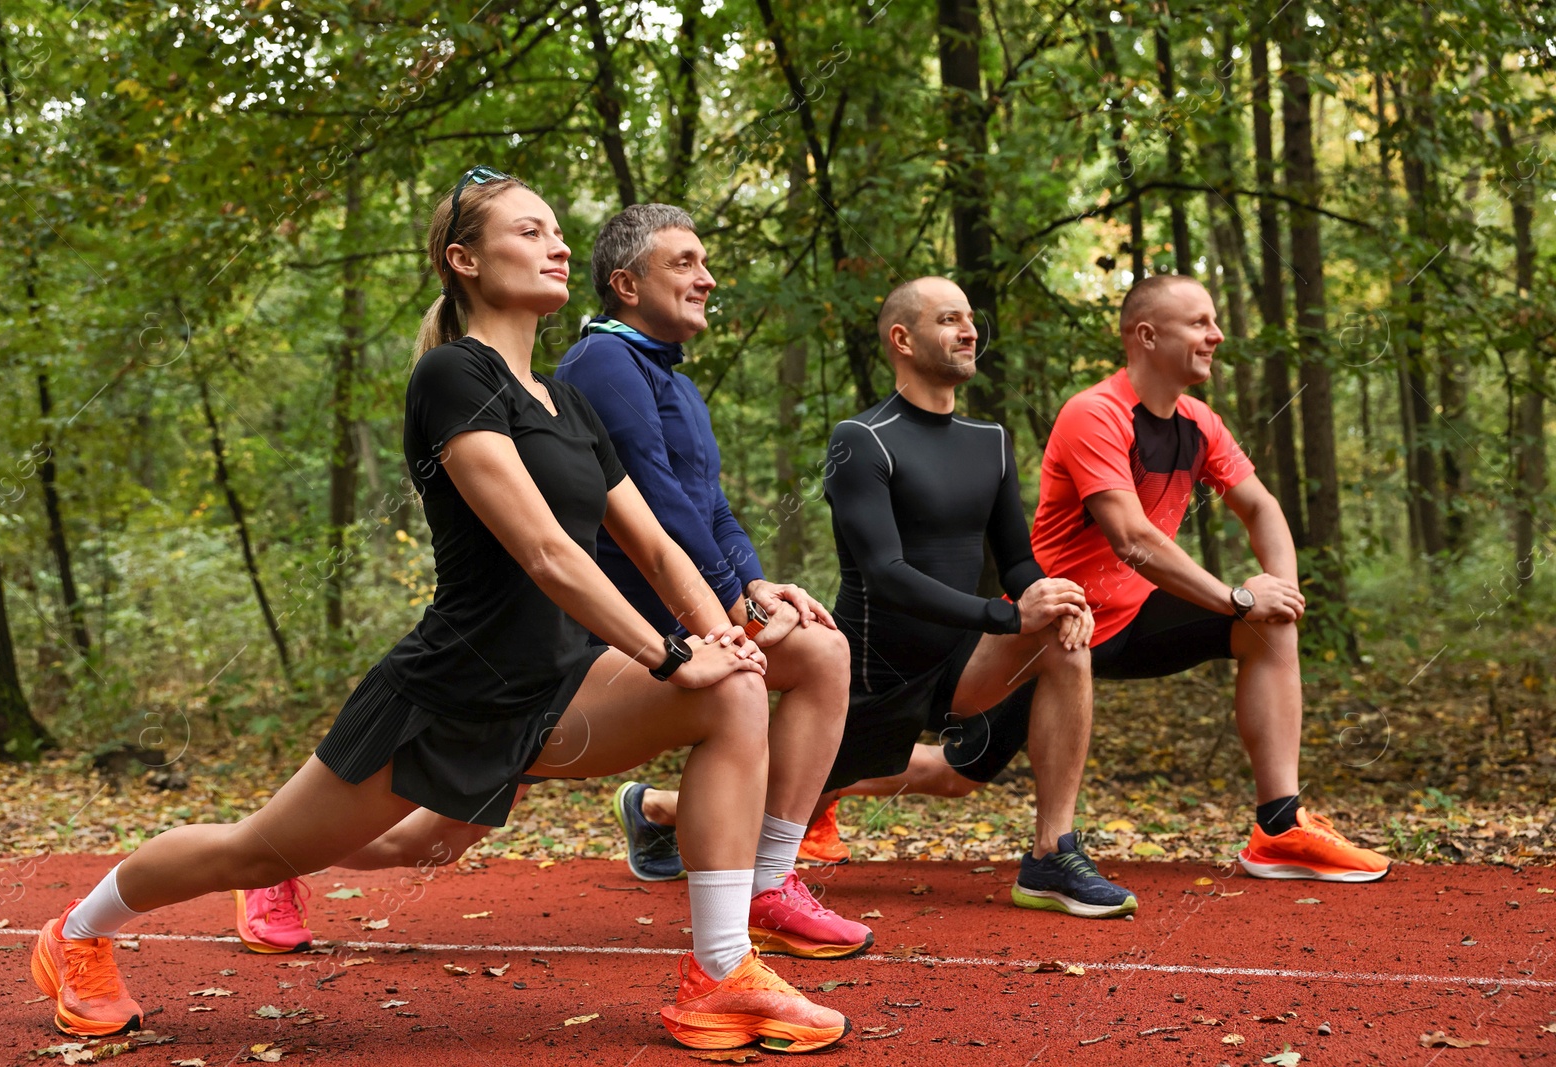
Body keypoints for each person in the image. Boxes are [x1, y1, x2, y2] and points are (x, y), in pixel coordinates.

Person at [30, 168, 849, 1055]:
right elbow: (546, 553)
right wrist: (666, 652)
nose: (558, 245)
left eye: (558, 232)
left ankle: (719, 975)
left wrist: (719, 635)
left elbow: (656, 548)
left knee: (731, 691)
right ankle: (76, 930)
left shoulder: (569, 402)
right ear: (464, 260)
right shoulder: (455, 378)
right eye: (530, 232)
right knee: (263, 849)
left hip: (560, 684)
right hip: (451, 688)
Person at [817, 274, 1390, 885]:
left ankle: (1279, 826)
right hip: (1044, 631)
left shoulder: (1197, 422)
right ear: (1146, 335)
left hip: (1121, 619)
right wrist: (1236, 597)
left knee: (1265, 627)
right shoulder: (1096, 413)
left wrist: (1281, 592)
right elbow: (1132, 538)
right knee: (958, 776)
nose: (1216, 335)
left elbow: (1261, 506)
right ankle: (817, 786)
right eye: (1199, 323)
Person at [546, 203, 870, 958]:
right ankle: (278, 858)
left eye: (704, 262)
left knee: (821, 650)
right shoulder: (601, 363)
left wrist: (757, 586)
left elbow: (710, 505)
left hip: (674, 622)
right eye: (684, 263)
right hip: (598, 634)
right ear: (626, 283)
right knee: (436, 821)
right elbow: (655, 503)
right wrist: (729, 605)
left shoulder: (672, 380)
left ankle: (768, 885)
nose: (708, 277)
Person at [810, 275, 1134, 919]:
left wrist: (1046, 596)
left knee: (1064, 637)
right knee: (774, 789)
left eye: (970, 320)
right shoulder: (861, 439)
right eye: (949, 319)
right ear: (902, 339)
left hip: (959, 661)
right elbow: (885, 571)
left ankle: (1051, 855)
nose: (969, 331)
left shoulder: (991, 441)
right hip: (871, 675)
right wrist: (1005, 615)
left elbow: (1014, 558)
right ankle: (658, 809)